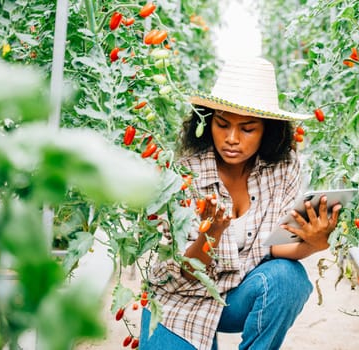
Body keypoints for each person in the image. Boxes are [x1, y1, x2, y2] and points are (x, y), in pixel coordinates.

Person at [140, 56, 342, 350]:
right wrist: (211, 235)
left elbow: (276, 246)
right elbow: (184, 272)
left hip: (237, 296)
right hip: (181, 300)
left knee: (289, 278)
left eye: (247, 129)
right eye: (222, 125)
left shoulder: (283, 169)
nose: (232, 138)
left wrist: (316, 242)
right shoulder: (184, 175)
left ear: (267, 131)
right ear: (208, 122)